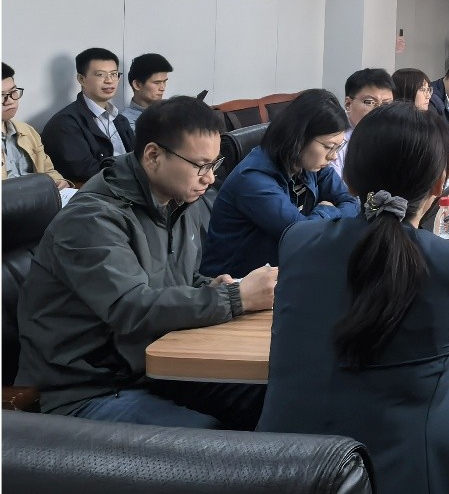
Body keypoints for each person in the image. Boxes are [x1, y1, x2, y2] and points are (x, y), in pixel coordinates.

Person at [257, 103, 449, 494]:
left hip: (283, 472)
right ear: (439, 185)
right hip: (411, 477)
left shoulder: (298, 242)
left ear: (347, 180)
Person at [16, 97, 276, 427]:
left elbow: (172, 280)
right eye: (200, 166)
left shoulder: (176, 200)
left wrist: (210, 287)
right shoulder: (91, 220)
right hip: (89, 388)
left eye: (214, 165)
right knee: (211, 440)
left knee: (272, 396)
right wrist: (235, 298)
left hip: (153, 368)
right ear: (153, 156)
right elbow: (131, 307)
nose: (210, 178)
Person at [201, 89, 359, 278]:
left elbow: (351, 202)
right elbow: (301, 235)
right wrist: (328, 210)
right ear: (299, 137)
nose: (333, 156)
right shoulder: (253, 179)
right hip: (233, 283)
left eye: (338, 147)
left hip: (284, 271)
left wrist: (323, 218)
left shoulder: (313, 165)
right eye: (328, 147)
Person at [41, 47, 135, 185]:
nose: (109, 80)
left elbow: (137, 159)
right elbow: (86, 173)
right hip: (101, 192)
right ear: (81, 79)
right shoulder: (65, 123)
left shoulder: (120, 120)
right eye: (100, 75)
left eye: (114, 74)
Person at [3, 62, 72, 191]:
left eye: (13, 92)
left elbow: (48, 170)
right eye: (2, 96)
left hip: (39, 199)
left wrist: (59, 181)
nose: (11, 101)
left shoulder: (26, 131)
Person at [333, 68, 394, 175]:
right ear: (348, 104)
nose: (379, 110)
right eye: (369, 102)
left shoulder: (392, 134)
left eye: (386, 104)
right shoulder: (334, 137)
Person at [122, 53, 173, 127]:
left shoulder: (171, 111)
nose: (162, 88)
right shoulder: (125, 122)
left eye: (164, 82)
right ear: (137, 85)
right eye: (156, 83)